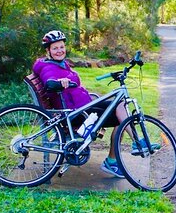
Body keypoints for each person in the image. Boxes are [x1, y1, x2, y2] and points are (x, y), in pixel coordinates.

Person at [32, 30, 127, 178]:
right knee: (122, 116)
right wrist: (58, 82)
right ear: (48, 51)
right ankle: (118, 157)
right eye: (55, 48)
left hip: (83, 109)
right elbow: (48, 81)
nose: (59, 51)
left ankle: (132, 146)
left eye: (61, 47)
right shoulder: (48, 67)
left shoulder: (60, 64)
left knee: (121, 106)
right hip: (76, 114)